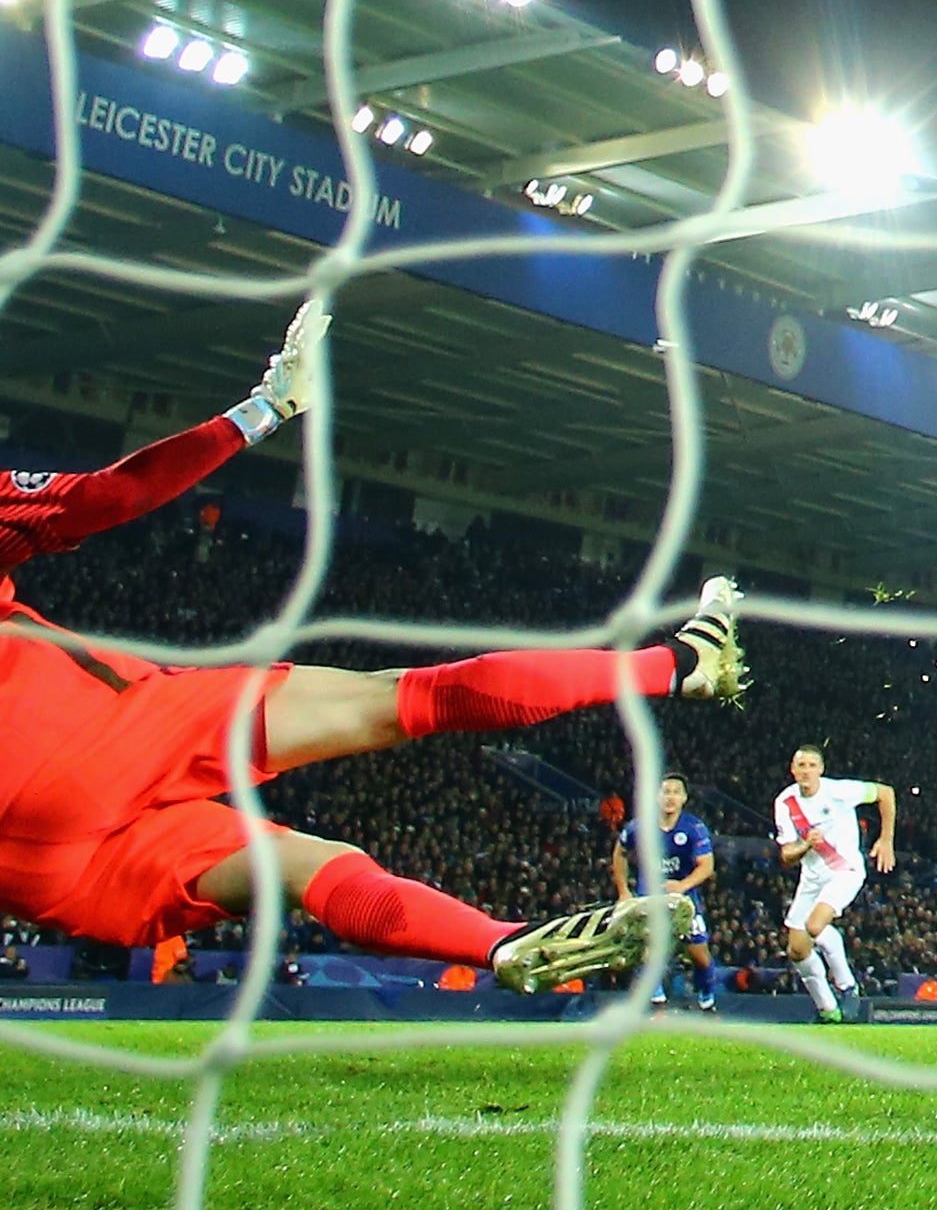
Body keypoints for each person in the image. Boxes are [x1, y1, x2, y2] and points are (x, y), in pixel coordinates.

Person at [0, 300, 750, 996]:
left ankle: (503, 943)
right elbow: (111, 497)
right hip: (91, 738)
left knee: (302, 867)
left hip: (41, 873)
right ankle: (680, 665)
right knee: (408, 698)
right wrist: (265, 409)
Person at [773, 744, 895, 1023]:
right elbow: (786, 854)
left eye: (811, 766)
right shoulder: (785, 802)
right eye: (800, 766)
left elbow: (885, 793)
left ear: (821, 770)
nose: (806, 771)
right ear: (792, 770)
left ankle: (847, 986)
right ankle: (828, 1009)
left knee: (815, 926)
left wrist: (886, 839)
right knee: (797, 950)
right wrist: (806, 844)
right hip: (812, 877)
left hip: (845, 870)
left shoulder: (839, 791)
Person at [611, 770, 719, 1011]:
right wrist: (623, 891)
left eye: (676, 792)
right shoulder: (639, 826)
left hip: (684, 901)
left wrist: (681, 886)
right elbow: (620, 852)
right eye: (665, 791)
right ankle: (657, 1003)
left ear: (684, 798)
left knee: (700, 957)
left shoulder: (694, 828)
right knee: (647, 951)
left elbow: (707, 866)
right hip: (648, 897)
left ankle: (707, 999)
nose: (670, 797)